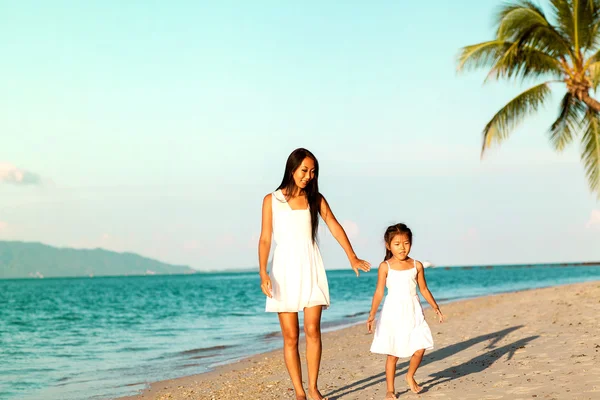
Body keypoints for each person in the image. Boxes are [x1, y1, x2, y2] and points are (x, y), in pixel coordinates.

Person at [258, 148, 371, 400]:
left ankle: (313, 388)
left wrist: (351, 255)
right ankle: (299, 392)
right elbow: (265, 238)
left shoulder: (315, 199)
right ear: (292, 169)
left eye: (312, 172)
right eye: (304, 170)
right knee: (290, 335)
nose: (308, 176)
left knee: (312, 329)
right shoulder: (271, 200)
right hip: (283, 270)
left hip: (310, 265)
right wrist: (262, 272)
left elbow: (334, 225)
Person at [367, 223, 444, 398]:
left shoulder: (416, 265)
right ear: (388, 245)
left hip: (413, 310)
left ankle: (410, 376)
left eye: (406, 243)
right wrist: (372, 315)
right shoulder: (385, 266)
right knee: (393, 353)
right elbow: (379, 292)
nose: (402, 248)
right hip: (393, 313)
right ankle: (390, 390)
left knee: (421, 346)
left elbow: (423, 289)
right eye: (397, 244)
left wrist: (435, 307)